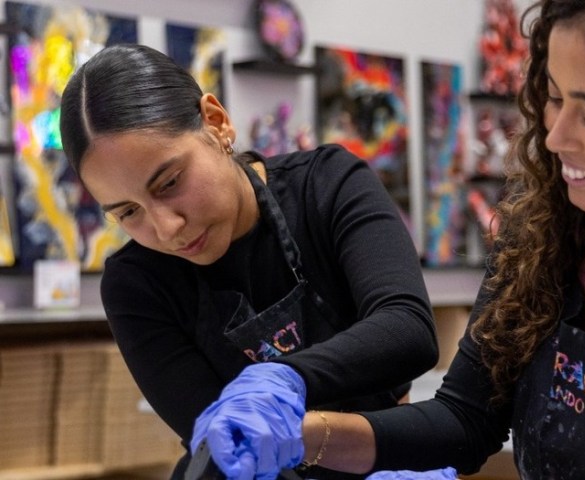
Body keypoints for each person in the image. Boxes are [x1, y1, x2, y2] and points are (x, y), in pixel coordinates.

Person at [224, 0, 585, 479]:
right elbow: (465, 418)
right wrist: (302, 435)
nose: (555, 137)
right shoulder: (544, 237)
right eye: (553, 97)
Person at [58, 43, 439, 480]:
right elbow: (224, 441)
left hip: (386, 462)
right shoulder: (137, 284)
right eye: (127, 212)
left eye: (169, 183)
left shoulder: (327, 185)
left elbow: (408, 330)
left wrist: (282, 382)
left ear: (216, 122)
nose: (167, 227)